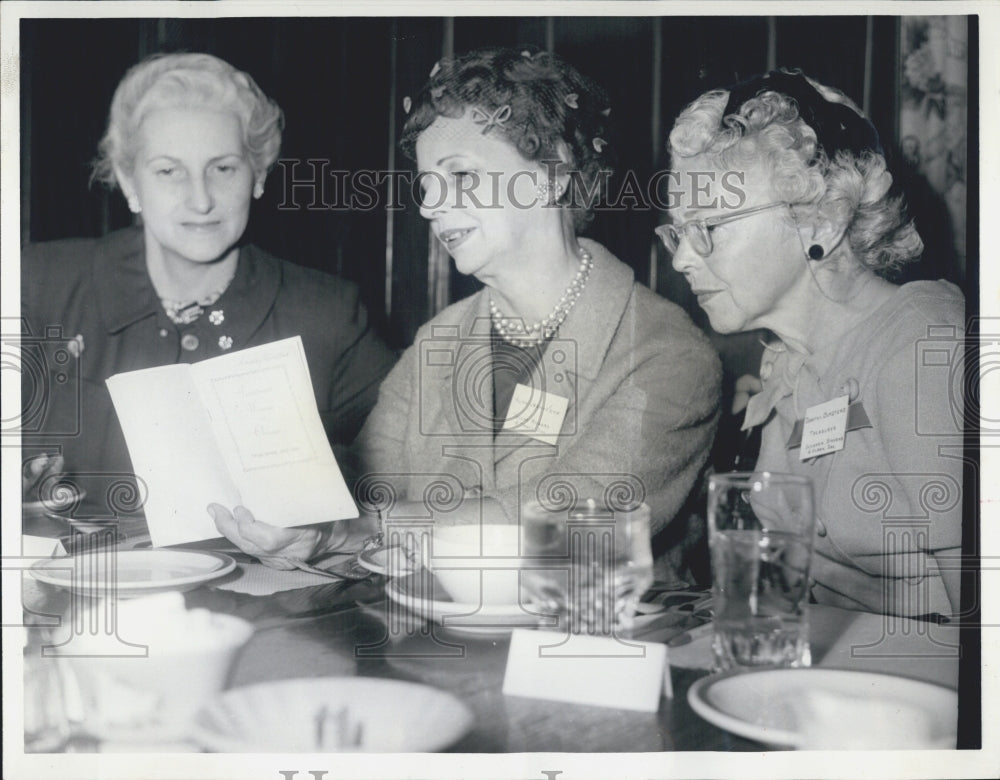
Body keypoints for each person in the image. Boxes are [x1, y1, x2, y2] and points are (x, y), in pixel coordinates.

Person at [213, 47, 721, 584]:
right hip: (430, 646)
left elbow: (566, 526)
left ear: (552, 172)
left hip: (586, 648)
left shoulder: (669, 357)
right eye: (427, 183)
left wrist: (350, 528)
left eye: (460, 175)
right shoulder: (442, 337)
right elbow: (368, 492)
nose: (430, 205)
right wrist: (300, 511)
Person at [21, 52, 396, 520]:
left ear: (258, 174)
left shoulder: (326, 314)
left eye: (223, 168)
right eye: (168, 170)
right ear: (127, 179)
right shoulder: (37, 285)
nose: (200, 200)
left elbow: (403, 479)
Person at [663, 69, 964, 616]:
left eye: (706, 225)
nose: (682, 258)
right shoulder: (788, 360)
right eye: (677, 232)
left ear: (822, 222)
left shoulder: (925, 347)